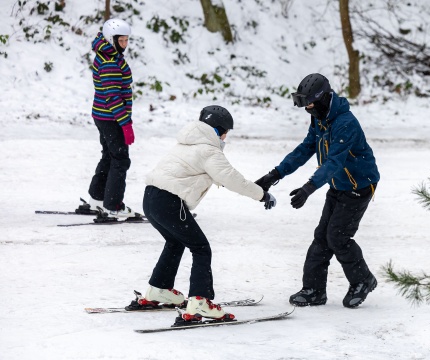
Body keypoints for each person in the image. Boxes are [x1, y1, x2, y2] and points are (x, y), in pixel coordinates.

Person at [138, 105, 277, 322]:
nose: (225, 138)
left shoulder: (185, 142)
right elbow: (232, 179)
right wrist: (261, 195)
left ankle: (159, 289)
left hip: (150, 198)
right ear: (219, 130)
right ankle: (199, 303)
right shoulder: (208, 150)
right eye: (225, 133)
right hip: (169, 202)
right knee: (201, 248)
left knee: (175, 242)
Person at [255, 73, 380, 308]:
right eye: (304, 104)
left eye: (309, 103)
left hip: (359, 185)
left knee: (338, 237)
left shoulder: (345, 123)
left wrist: (308, 188)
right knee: (322, 237)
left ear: (323, 98)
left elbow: (334, 162)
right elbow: (304, 150)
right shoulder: (320, 118)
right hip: (338, 184)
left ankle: (363, 280)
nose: (307, 109)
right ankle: (313, 290)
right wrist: (274, 175)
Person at [83, 19, 136, 217]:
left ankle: (97, 198)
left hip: (103, 115)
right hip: (111, 117)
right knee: (120, 159)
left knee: (109, 155)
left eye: (126, 40)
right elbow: (113, 98)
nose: (125, 44)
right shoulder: (110, 62)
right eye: (121, 40)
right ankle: (113, 206)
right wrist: (125, 125)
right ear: (110, 40)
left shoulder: (108, 55)